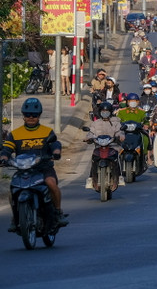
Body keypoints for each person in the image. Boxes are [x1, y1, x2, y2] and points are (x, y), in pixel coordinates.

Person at [1, 98, 69, 229]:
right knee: (12, 191)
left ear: (39, 115)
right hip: (23, 170)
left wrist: (56, 152)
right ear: (23, 116)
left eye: (34, 115)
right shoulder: (15, 134)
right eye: (28, 115)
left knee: (51, 183)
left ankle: (58, 212)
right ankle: (15, 218)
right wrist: (3, 157)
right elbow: (7, 149)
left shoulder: (47, 131)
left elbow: (55, 144)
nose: (31, 117)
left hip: (43, 169)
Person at [85, 102, 123, 183]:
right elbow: (91, 132)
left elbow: (119, 131)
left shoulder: (116, 122)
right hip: (99, 146)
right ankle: (91, 177)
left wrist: (120, 136)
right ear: (100, 112)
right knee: (94, 158)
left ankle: (119, 176)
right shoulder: (96, 123)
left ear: (110, 112)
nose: (105, 113)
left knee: (116, 157)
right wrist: (88, 138)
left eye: (107, 111)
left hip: (112, 145)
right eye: (103, 111)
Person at [117, 92, 152, 162]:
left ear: (138, 102)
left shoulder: (142, 112)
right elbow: (117, 121)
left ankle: (145, 156)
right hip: (125, 132)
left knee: (145, 138)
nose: (133, 102)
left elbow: (146, 122)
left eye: (134, 101)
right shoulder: (121, 112)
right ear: (127, 102)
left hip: (137, 132)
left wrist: (146, 125)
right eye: (131, 101)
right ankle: (118, 157)